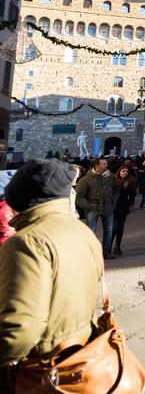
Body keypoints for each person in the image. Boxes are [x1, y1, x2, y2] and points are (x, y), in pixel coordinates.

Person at [0, 160, 103, 380]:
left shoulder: (26, 242)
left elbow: (20, 330)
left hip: (41, 369)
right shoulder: (80, 231)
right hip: (80, 358)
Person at [75, 158, 119, 259]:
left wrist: (114, 199)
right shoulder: (86, 179)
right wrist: (89, 206)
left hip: (108, 207)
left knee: (109, 230)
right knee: (91, 231)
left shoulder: (111, 177)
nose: (106, 165)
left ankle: (106, 252)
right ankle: (91, 254)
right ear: (97, 166)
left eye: (106, 164)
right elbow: (79, 196)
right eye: (104, 164)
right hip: (92, 209)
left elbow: (117, 189)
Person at [111, 164, 136, 256]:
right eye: (123, 171)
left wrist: (130, 203)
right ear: (119, 172)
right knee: (114, 228)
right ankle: (108, 246)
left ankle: (117, 246)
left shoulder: (129, 182)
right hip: (113, 207)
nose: (125, 173)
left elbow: (133, 194)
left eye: (126, 171)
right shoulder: (113, 180)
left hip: (123, 207)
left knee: (120, 228)